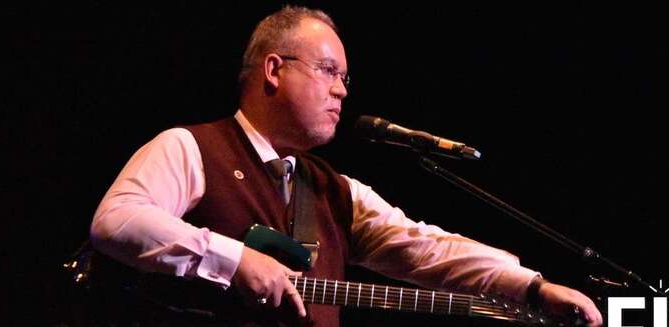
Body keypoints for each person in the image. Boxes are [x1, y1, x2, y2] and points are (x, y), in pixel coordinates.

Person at [89, 5, 603, 326]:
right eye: (328, 70)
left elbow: (425, 248)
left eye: (345, 79)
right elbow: (117, 222)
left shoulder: (334, 191)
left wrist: (531, 287)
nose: (340, 89)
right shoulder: (190, 148)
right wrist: (236, 260)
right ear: (273, 69)